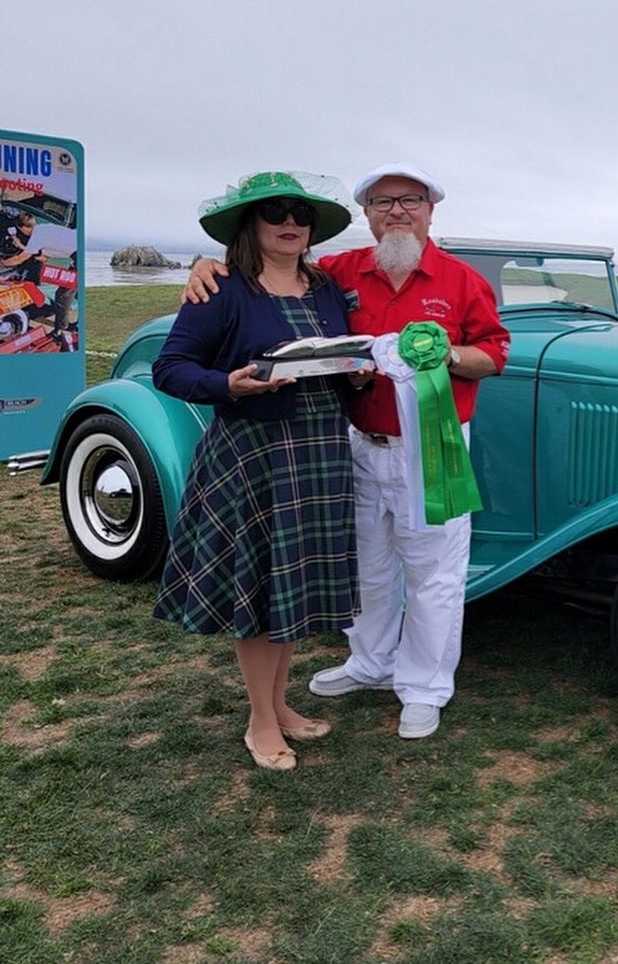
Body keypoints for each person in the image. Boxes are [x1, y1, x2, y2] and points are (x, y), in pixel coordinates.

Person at [183, 163, 510, 740]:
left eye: (410, 201)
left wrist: (446, 357)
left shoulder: (461, 281)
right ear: (367, 215)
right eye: (383, 203)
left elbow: (494, 354)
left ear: (431, 210)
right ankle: (369, 662)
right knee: (368, 566)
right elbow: (265, 272)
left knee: (433, 572)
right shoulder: (337, 274)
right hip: (352, 444)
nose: (398, 212)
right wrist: (205, 265)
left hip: (430, 447)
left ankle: (423, 687)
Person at [155, 171, 362, 771]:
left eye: (301, 213)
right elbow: (171, 368)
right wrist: (227, 384)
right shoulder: (221, 289)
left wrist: (353, 372)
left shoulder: (324, 288)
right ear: (252, 224)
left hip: (320, 450)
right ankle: (261, 720)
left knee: (291, 587)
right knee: (261, 589)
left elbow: (335, 352)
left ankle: (282, 705)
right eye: (275, 212)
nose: (290, 222)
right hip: (255, 454)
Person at [0, 211, 43, 282]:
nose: (32, 230)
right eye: (30, 228)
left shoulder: (36, 238)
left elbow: (20, 259)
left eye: (33, 227)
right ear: (21, 227)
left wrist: (2, 262)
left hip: (28, 269)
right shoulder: (7, 224)